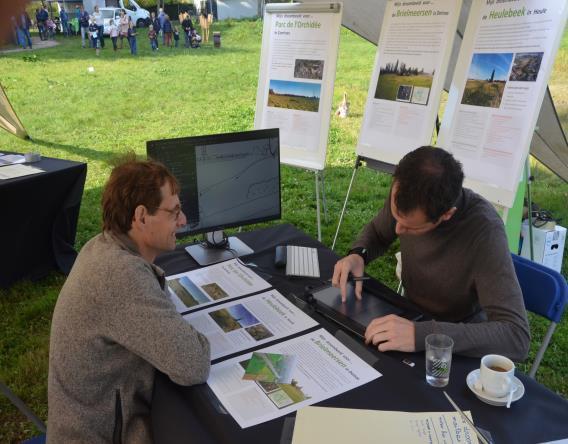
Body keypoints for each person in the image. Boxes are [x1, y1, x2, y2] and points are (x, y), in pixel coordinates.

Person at [47, 158, 211, 443]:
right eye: (174, 212)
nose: (182, 221)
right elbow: (192, 364)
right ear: (141, 216)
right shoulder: (119, 275)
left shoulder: (102, 245)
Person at [332, 146, 530, 361]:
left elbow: (516, 336)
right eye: (396, 217)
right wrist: (358, 254)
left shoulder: (484, 232)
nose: (398, 231)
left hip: (455, 340)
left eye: (411, 228)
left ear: (446, 215)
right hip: (409, 316)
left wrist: (423, 335)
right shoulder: (408, 190)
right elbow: (379, 233)